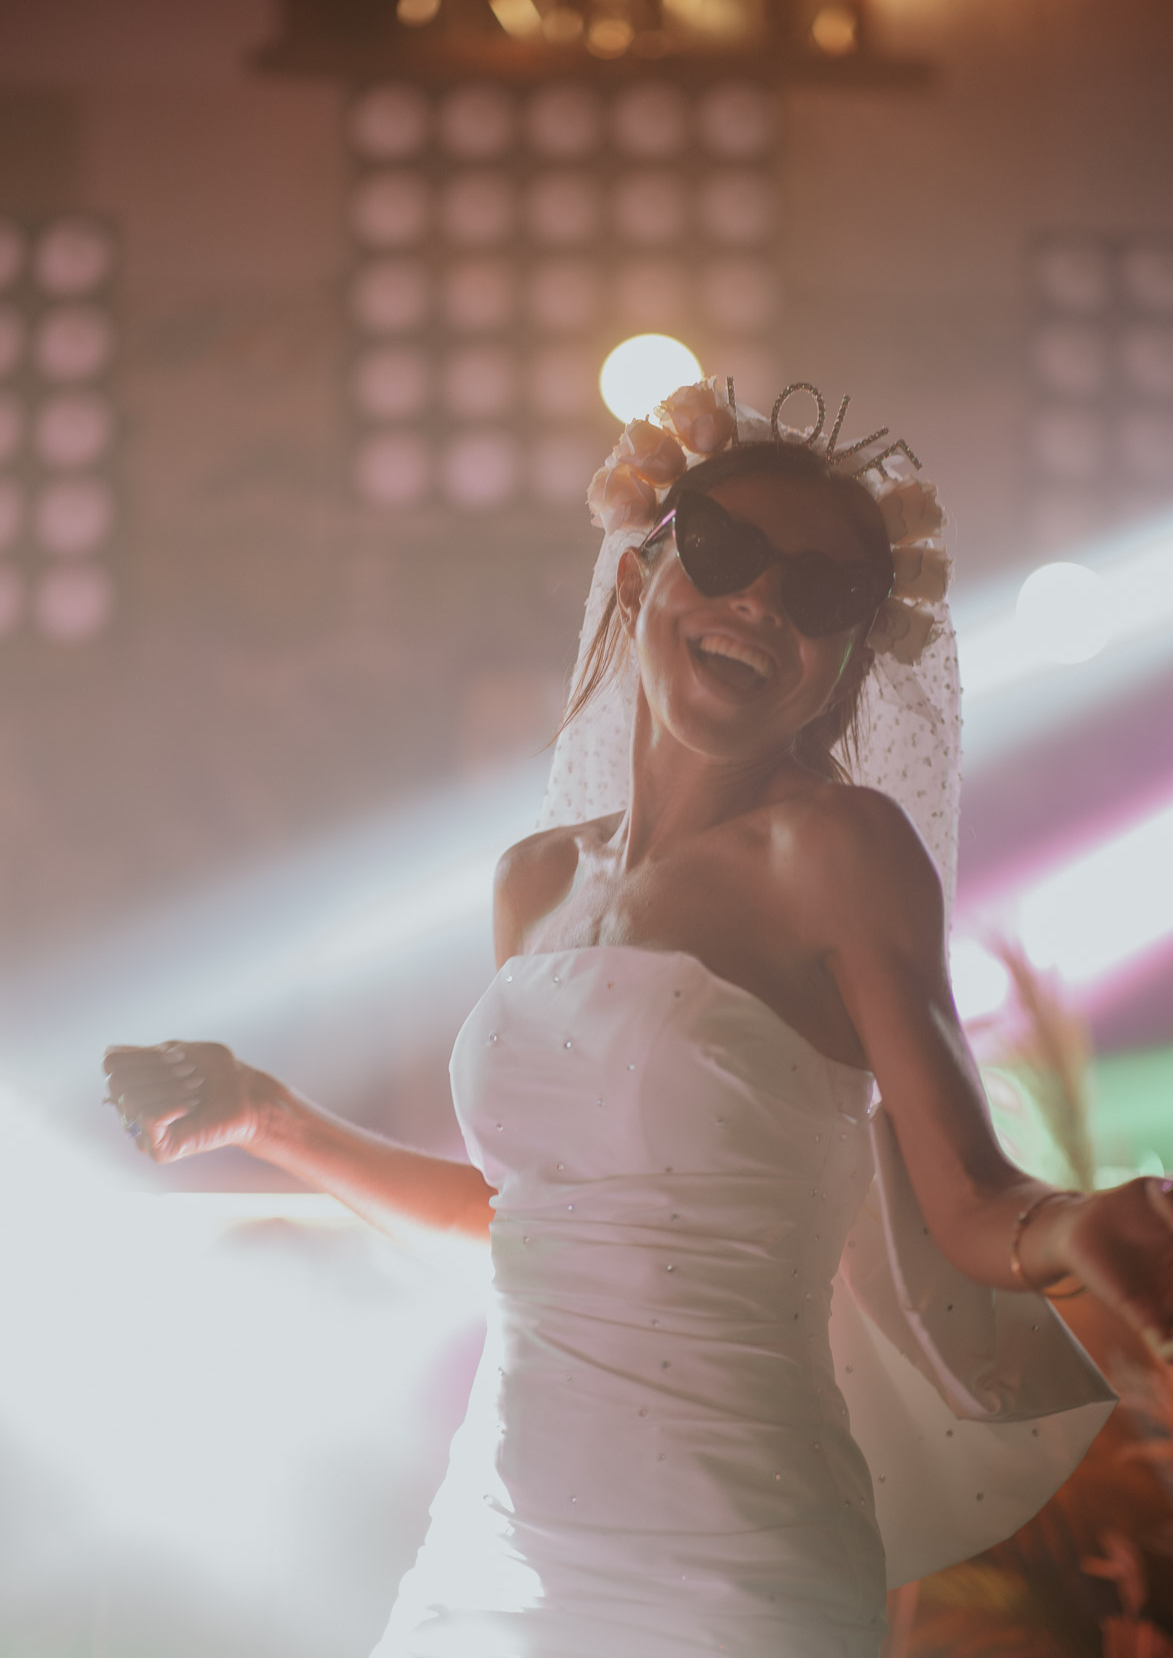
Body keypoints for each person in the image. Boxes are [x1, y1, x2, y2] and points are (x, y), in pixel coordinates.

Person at [105, 378, 1172, 1658]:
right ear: (638, 578)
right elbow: (529, 1228)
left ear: (845, 661)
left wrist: (1082, 1222)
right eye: (726, 553)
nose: (763, 601)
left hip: (733, 1560)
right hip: (494, 1547)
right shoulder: (536, 879)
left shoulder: (835, 851)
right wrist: (268, 1114)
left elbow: (970, 1203)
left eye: (821, 591)